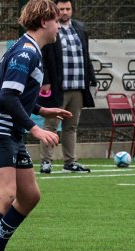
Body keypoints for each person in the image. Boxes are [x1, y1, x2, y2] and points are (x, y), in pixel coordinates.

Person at [0, 1, 68, 251]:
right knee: (5, 194)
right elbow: (8, 96)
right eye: (56, 20)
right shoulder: (26, 52)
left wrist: (41, 110)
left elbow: (12, 94)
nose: (59, 26)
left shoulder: (30, 49)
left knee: (29, 196)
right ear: (45, 22)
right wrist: (35, 128)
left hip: (9, 129)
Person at [38, 0, 96, 174]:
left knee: (71, 127)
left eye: (68, 9)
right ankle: (46, 161)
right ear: (56, 10)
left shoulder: (80, 28)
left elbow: (86, 56)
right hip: (57, 88)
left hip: (78, 86)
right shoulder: (49, 29)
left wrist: (91, 79)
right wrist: (45, 80)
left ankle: (70, 162)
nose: (65, 12)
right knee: (51, 125)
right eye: (61, 9)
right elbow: (43, 57)